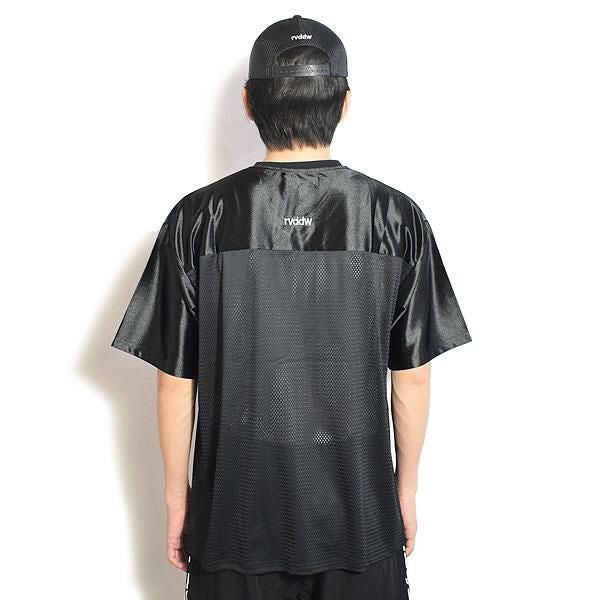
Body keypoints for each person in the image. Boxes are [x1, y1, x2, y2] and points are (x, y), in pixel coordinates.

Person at [110, 14, 472, 600]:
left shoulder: (198, 219)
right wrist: (404, 491)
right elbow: (412, 376)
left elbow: (176, 380)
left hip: (233, 516)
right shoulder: (396, 217)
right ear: (345, 103)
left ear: (249, 103)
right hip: (360, 516)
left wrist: (178, 501)